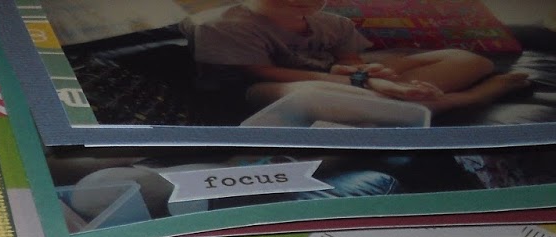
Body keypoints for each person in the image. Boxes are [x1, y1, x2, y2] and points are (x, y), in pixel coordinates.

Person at [190, 0, 531, 118]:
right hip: (263, 91)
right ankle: (467, 99)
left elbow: (350, 61)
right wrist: (365, 80)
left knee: (471, 60)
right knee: (313, 96)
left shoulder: (333, 23)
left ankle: (398, 99)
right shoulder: (223, 25)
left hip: (342, 80)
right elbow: (263, 74)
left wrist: (367, 71)